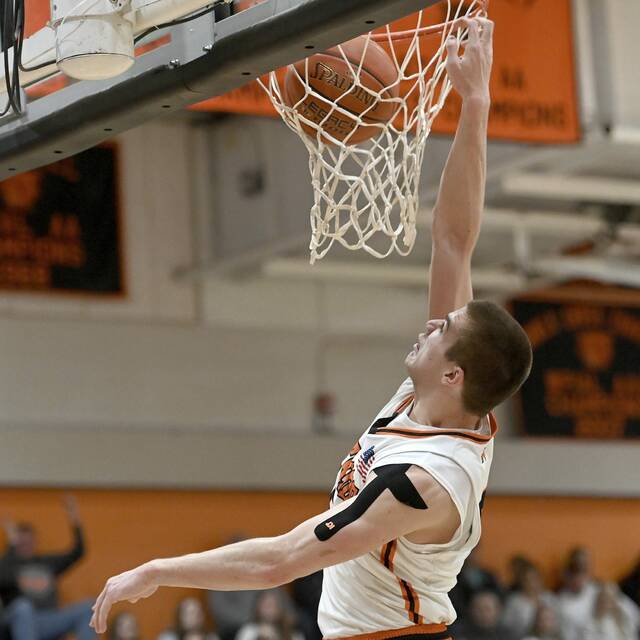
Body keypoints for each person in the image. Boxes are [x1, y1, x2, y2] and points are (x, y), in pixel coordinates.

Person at [89, 17, 533, 640]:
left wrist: (157, 569)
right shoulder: (437, 399)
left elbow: (282, 561)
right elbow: (455, 242)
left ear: (454, 373)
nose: (431, 323)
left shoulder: (429, 481)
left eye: (444, 328)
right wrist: (476, 104)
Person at [0, 495, 96, 640]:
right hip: (19, 619)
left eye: (29, 541)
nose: (26, 545)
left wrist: (74, 518)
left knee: (87, 607)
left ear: (35, 542)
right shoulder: (9, 564)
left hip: (49, 620)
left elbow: (78, 552)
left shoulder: (46, 563)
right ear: (15, 543)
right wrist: (11, 547)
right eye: (21, 541)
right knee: (23, 607)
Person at [501, 563, 557, 638]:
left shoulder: (550, 598)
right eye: (528, 580)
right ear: (522, 582)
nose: (532, 583)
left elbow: (558, 623)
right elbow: (506, 625)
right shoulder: (514, 602)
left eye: (535, 578)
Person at [235, 589, 303, 640]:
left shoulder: (292, 633)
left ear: (280, 608)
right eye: (265, 605)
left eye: (272, 604)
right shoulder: (249, 631)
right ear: (257, 608)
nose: (269, 609)